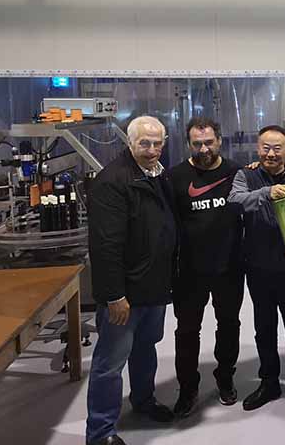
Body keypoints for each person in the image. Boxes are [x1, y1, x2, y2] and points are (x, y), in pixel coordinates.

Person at [86, 116, 176, 445]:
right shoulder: (112, 182)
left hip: (153, 286)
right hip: (125, 294)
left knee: (145, 348)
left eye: (157, 143)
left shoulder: (157, 175)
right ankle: (100, 432)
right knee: (110, 363)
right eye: (144, 143)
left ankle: (144, 400)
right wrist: (114, 296)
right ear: (129, 142)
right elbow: (105, 245)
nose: (151, 150)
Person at [228, 125, 285, 420]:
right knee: (264, 328)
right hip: (258, 269)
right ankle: (268, 382)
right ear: (257, 149)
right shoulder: (246, 175)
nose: (271, 154)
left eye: (278, 148)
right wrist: (267, 192)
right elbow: (234, 201)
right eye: (265, 147)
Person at [168, 117, 244, 417]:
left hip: (229, 267)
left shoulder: (235, 172)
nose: (203, 149)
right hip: (189, 271)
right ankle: (188, 389)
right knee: (187, 331)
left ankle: (225, 378)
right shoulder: (175, 177)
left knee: (229, 325)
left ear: (219, 141)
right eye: (197, 143)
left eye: (209, 142)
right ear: (188, 143)